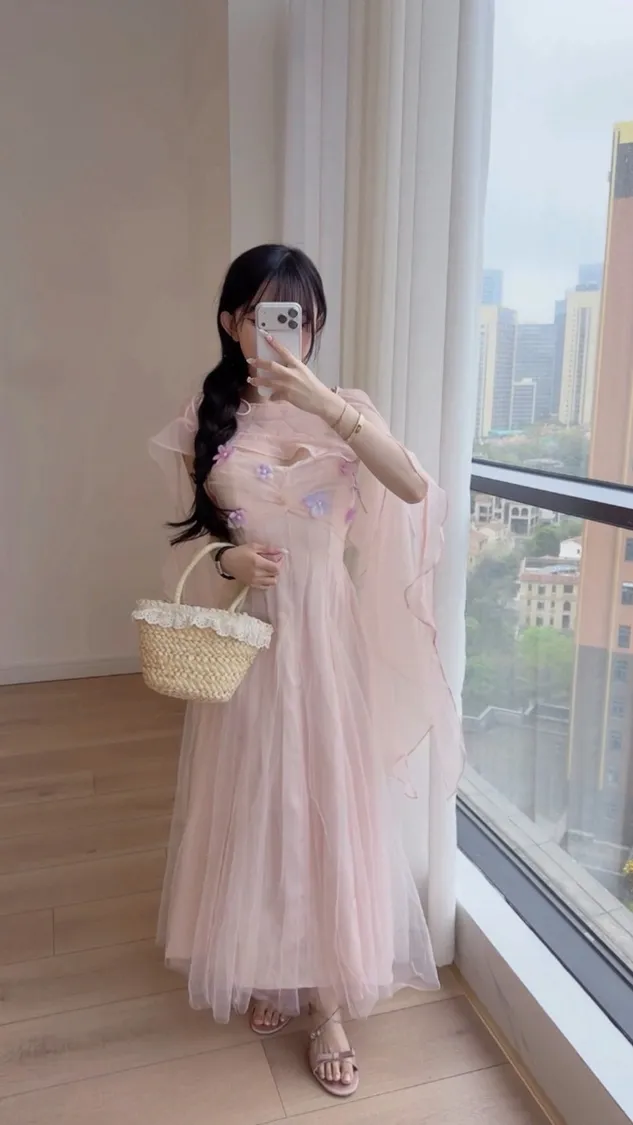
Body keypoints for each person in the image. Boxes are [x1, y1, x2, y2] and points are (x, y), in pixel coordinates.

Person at [149, 244, 462, 1098]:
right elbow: (194, 542)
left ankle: (325, 1005)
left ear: (316, 326)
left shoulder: (345, 409)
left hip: (327, 641)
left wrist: (324, 403)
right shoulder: (206, 416)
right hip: (254, 641)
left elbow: (413, 488)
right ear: (231, 322)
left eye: (300, 317)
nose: (286, 331)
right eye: (265, 314)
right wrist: (230, 562)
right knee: (260, 802)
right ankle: (267, 962)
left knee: (326, 804)